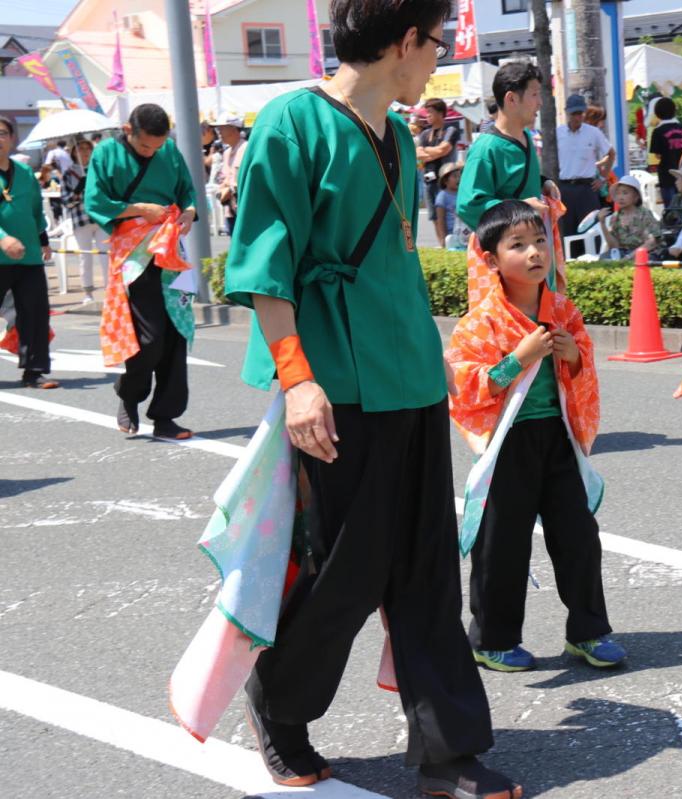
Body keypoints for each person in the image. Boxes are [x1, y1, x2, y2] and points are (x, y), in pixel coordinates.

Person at [221, 2, 522, 796]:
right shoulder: (291, 122)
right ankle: (279, 701)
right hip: (335, 377)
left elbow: (395, 258)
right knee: (344, 569)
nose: (438, 60)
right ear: (403, 42)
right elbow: (263, 265)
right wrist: (297, 379)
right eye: (436, 44)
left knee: (427, 567)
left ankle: (449, 749)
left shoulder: (398, 134)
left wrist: (435, 349)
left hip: (407, 370)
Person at [445, 199, 622, 674]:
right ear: (491, 259)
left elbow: (584, 370)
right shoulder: (480, 322)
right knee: (501, 543)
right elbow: (463, 387)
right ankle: (492, 640)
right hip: (508, 444)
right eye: (518, 245)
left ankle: (588, 631)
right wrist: (517, 360)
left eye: (540, 241)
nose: (534, 252)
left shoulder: (562, 309)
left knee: (578, 536)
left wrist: (574, 357)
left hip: (557, 437)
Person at [85, 103, 197, 440]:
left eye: (157, 146)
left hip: (171, 246)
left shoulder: (169, 151)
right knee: (149, 337)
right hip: (133, 253)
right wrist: (138, 209)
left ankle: (165, 416)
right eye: (146, 145)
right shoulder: (105, 152)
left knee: (176, 333)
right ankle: (129, 393)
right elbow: (95, 201)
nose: (152, 152)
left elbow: (186, 190)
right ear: (127, 130)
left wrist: (189, 211)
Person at [458, 59, 560, 238]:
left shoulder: (526, 136)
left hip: (530, 241)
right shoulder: (485, 149)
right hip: (506, 247)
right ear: (511, 99)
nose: (540, 102)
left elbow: (516, 180)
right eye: (534, 94)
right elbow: (469, 206)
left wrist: (543, 183)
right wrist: (522, 208)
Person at [0, 115, 57, 389]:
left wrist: (43, 240)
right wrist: (2, 239)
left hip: (28, 255)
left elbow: (35, 210)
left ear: (12, 138)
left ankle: (34, 371)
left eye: (2, 133)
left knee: (34, 313)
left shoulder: (24, 173)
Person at [554, 94, 614, 239]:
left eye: (580, 113)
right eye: (574, 113)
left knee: (592, 231)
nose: (577, 117)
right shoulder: (558, 133)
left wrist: (603, 178)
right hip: (565, 188)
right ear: (567, 113)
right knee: (567, 232)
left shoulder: (593, 132)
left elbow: (611, 154)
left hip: (587, 188)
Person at [60, 139, 104, 302]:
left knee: (106, 255)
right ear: (73, 152)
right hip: (80, 219)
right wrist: (78, 192)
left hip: (100, 218)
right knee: (85, 256)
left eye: (88, 148)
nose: (85, 152)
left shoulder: (99, 169)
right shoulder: (68, 174)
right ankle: (88, 292)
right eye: (81, 148)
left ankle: (111, 291)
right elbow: (66, 201)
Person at [416, 97, 461, 214]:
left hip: (446, 179)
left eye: (430, 112)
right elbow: (418, 154)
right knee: (433, 216)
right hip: (428, 178)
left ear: (440, 113)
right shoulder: (425, 133)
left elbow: (443, 150)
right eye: (426, 112)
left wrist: (426, 150)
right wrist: (435, 152)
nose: (427, 115)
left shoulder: (451, 130)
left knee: (449, 216)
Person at [597, 175, 659, 258]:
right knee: (604, 258)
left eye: (625, 193)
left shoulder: (644, 214)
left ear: (636, 197)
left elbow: (652, 242)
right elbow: (614, 246)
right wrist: (602, 224)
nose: (620, 197)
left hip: (644, 254)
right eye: (618, 193)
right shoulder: (615, 217)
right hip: (624, 254)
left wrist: (629, 256)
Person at [648, 97, 682, 205]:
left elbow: (657, 155)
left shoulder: (658, 131)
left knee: (670, 207)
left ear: (657, 113)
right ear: (674, 111)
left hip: (666, 174)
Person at [214, 112, 245, 237]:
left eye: (222, 128)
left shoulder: (246, 148)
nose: (219, 132)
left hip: (244, 210)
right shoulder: (226, 153)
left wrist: (230, 189)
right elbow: (223, 178)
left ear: (233, 128)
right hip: (230, 210)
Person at [434, 161, 468, 250]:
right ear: (445, 181)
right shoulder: (442, 196)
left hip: (464, 233)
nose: (458, 179)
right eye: (454, 176)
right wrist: (443, 239)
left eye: (459, 176)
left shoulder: (463, 194)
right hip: (451, 234)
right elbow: (440, 220)